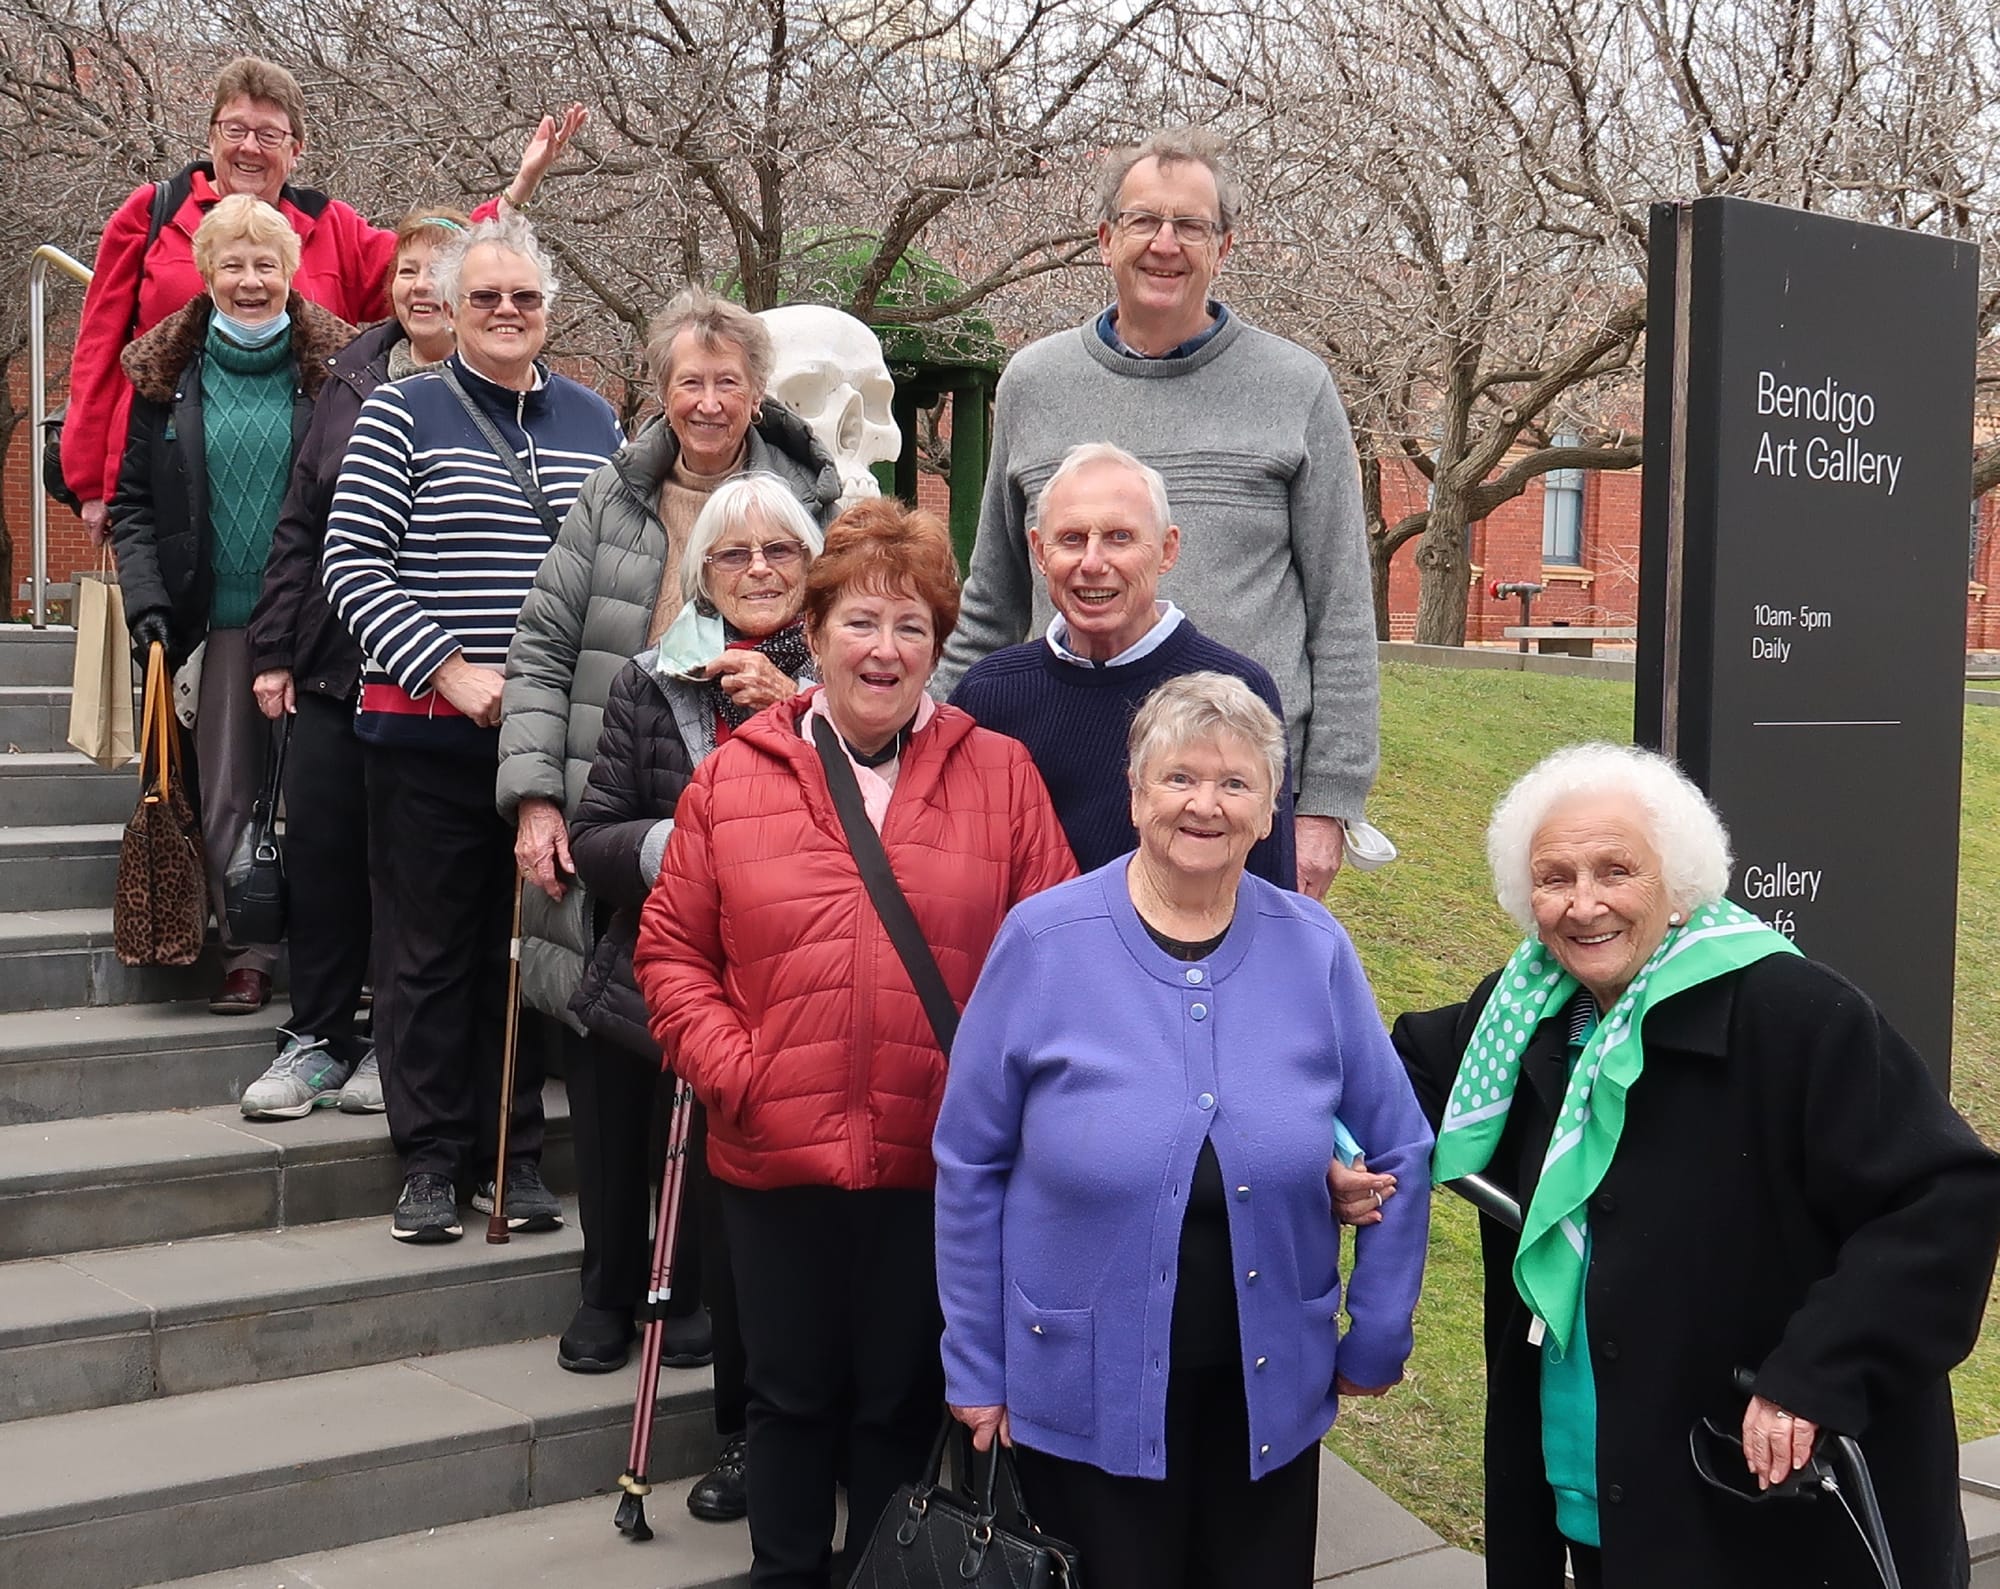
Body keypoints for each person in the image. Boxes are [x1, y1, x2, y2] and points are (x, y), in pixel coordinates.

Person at [1390, 743, 2000, 1588]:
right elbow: (1396, 1076)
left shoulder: (1795, 1015)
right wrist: (1357, 1154)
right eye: (1555, 876)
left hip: (1756, 1500)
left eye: (1616, 870)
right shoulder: (1524, 1009)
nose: (1584, 902)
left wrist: (1814, 1374)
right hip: (1595, 1489)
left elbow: (1946, 1201)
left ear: (1678, 885)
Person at [633, 501, 1076, 1589]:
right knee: (786, 1401)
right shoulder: (736, 777)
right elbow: (672, 954)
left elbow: (1055, 959)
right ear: (815, 631)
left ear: (937, 644)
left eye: (912, 627)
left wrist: (999, 1105)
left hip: (935, 1165)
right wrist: (740, 1070)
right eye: (861, 622)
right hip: (774, 1157)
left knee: (896, 1403)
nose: (884, 650)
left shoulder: (1000, 776)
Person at [933, 671, 1432, 1589]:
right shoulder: (1044, 941)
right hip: (1080, 1388)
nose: (1205, 803)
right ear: (1134, 794)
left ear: (1270, 810)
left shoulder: (1313, 947)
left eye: (1236, 783)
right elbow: (970, 1160)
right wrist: (975, 1360)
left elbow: (1400, 1143)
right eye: (1179, 778)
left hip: (1269, 1393)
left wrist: (1379, 1331)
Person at [933, 128, 1378, 900]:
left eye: (1191, 226)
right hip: (1051, 786)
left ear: (1225, 247)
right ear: (1106, 240)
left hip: (1230, 802)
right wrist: (918, 751)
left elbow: (1342, 611)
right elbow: (989, 605)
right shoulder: (1033, 384)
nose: (1164, 244)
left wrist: (1328, 806)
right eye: (1143, 222)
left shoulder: (1294, 388)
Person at [322, 213, 621, 1243]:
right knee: (427, 952)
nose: (504, 312)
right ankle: (431, 1158)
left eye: (523, 298)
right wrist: (449, 671)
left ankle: (515, 1154)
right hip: (423, 733)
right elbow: (350, 565)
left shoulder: (596, 421)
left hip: (548, 741)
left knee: (529, 949)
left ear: (548, 310)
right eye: (484, 296)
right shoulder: (399, 412)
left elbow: (615, 566)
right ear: (449, 306)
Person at [558, 475, 828, 1524]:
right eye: (733, 555)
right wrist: (685, 846)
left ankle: (771, 1422)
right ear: (699, 574)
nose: (758, 569)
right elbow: (594, 835)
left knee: (762, 1234)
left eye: (780, 554)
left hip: (798, 988)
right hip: (668, 972)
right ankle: (628, 1309)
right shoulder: (646, 680)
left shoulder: (850, 675)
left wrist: (797, 714)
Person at [64, 53, 581, 542]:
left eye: (269, 134)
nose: (250, 147)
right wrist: (92, 483)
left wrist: (514, 194)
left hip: (300, 489)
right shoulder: (153, 211)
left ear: (296, 149)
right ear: (211, 135)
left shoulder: (332, 226)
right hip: (171, 479)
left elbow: (434, 264)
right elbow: (98, 349)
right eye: (235, 130)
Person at [234, 206, 469, 1118]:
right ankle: (317, 1038)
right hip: (334, 669)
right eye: (407, 268)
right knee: (325, 860)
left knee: (405, 872)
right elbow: (302, 521)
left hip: (432, 683)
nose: (419, 285)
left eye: (438, 270)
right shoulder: (350, 374)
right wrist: (274, 648)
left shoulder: (489, 388)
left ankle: (390, 1043)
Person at [110, 194, 358, 1015]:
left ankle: (333, 945)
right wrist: (146, 605)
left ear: (290, 273)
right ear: (206, 272)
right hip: (214, 620)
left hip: (320, 618)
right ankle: (246, 948)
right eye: (233, 264)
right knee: (225, 792)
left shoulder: (337, 373)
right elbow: (134, 506)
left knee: (321, 793)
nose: (251, 280)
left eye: (266, 265)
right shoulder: (165, 376)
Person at [949, 441, 1295, 887]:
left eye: (1120, 538)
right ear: (1038, 551)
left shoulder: (1235, 693)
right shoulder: (990, 694)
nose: (1093, 563)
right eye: (1071, 539)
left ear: (1167, 549)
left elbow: (1268, 889)